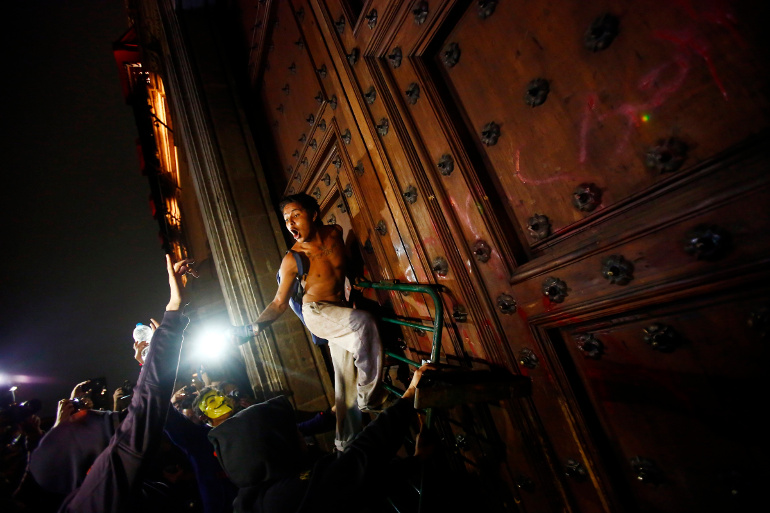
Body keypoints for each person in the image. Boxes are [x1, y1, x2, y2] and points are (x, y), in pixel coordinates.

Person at [19, 254, 197, 513]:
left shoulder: (116, 493)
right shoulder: (93, 502)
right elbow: (144, 409)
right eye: (83, 420)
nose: (86, 412)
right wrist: (173, 311)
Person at [237, 193, 388, 450]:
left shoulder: (335, 233)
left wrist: (357, 281)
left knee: (344, 382)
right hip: (317, 312)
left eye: (296, 215)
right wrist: (253, 328)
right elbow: (278, 302)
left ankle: (345, 445)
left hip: (340, 311)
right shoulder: (292, 259)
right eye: (286, 220)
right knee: (364, 324)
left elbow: (343, 268)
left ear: (313, 214)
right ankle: (369, 397)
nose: (291, 224)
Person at [203, 363, 435, 513]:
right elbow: (356, 462)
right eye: (290, 432)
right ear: (274, 446)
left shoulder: (259, 493)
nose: (300, 435)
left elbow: (355, 486)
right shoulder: (283, 498)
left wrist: (415, 461)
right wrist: (409, 397)